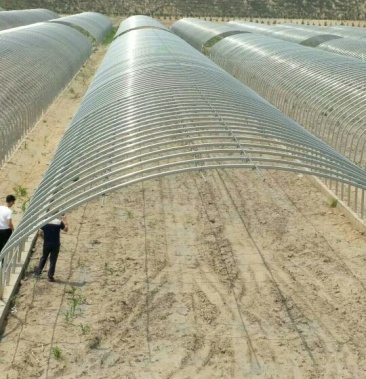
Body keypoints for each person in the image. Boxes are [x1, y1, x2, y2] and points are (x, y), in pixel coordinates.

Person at [35, 214, 69, 282]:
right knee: (53, 260)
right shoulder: (59, 222)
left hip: (47, 243)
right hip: (55, 244)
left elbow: (40, 233)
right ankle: (50, 276)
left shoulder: (44, 222)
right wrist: (65, 221)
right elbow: (66, 229)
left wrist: (44, 238)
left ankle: (38, 273)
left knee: (44, 257)